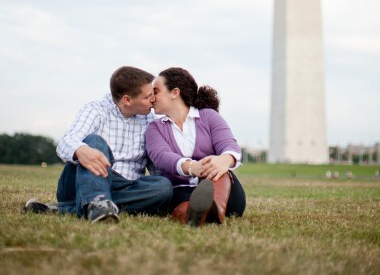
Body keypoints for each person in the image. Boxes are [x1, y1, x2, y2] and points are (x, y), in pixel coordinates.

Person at [24, 66, 173, 223]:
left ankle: (78, 208)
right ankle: (97, 202)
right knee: (94, 141)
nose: (153, 100)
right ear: (127, 100)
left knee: (163, 187)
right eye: (147, 97)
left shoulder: (150, 121)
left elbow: (156, 166)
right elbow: (65, 142)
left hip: (127, 188)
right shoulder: (96, 110)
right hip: (82, 182)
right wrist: (80, 150)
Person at [146, 67, 246, 226]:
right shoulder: (155, 128)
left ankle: (214, 208)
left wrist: (224, 160)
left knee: (217, 172)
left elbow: (229, 145)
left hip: (221, 188)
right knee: (180, 204)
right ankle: (197, 214)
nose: (151, 98)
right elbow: (161, 156)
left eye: (156, 91)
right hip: (180, 191)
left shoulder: (209, 116)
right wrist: (192, 167)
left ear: (174, 93)